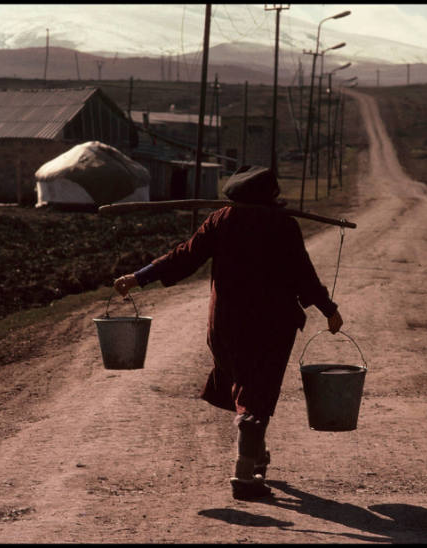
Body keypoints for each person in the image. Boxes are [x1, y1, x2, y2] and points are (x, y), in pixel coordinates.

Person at [113, 165, 343, 500]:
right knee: (256, 394)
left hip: (227, 324)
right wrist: (329, 309)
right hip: (271, 325)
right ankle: (244, 475)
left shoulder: (222, 220)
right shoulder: (283, 225)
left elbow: (185, 256)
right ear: (270, 195)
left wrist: (139, 276)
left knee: (248, 389)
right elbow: (302, 276)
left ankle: (257, 455)